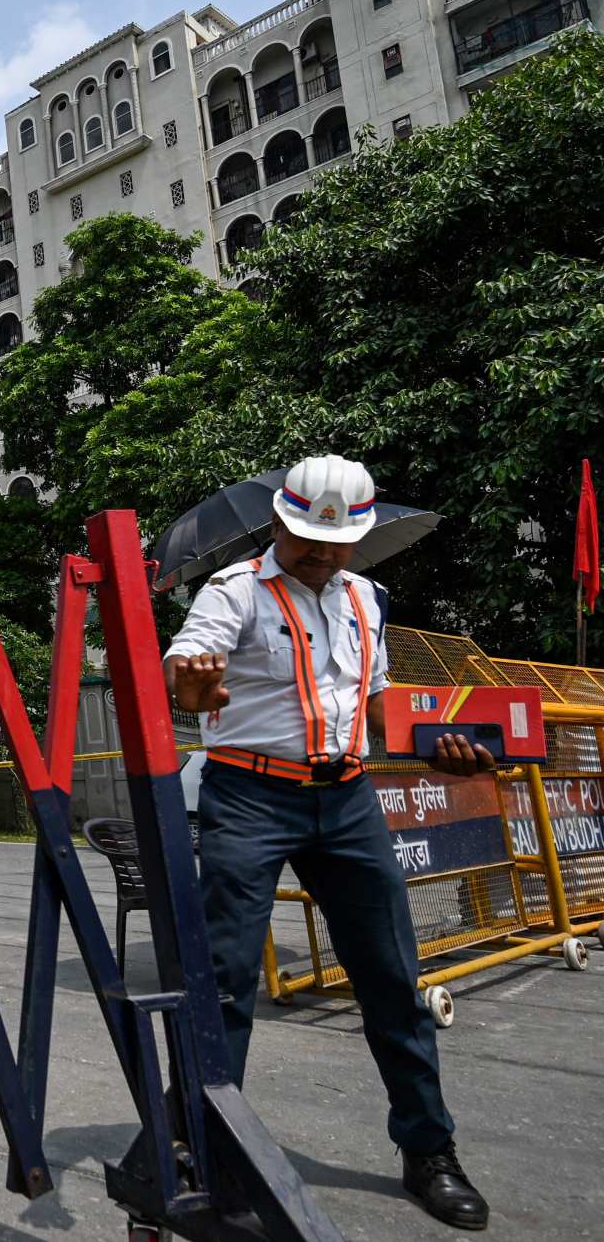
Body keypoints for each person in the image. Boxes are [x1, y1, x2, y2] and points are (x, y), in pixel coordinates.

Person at [164, 455, 493, 1232]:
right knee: (225, 974)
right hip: (248, 793)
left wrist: (440, 743)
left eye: (334, 540)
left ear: (359, 535)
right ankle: (203, 1150)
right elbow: (189, 664)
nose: (318, 552)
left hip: (346, 797)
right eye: (305, 535)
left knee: (391, 974)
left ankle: (430, 1151)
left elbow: (379, 713)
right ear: (278, 521)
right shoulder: (233, 588)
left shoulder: (368, 600)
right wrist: (197, 687)